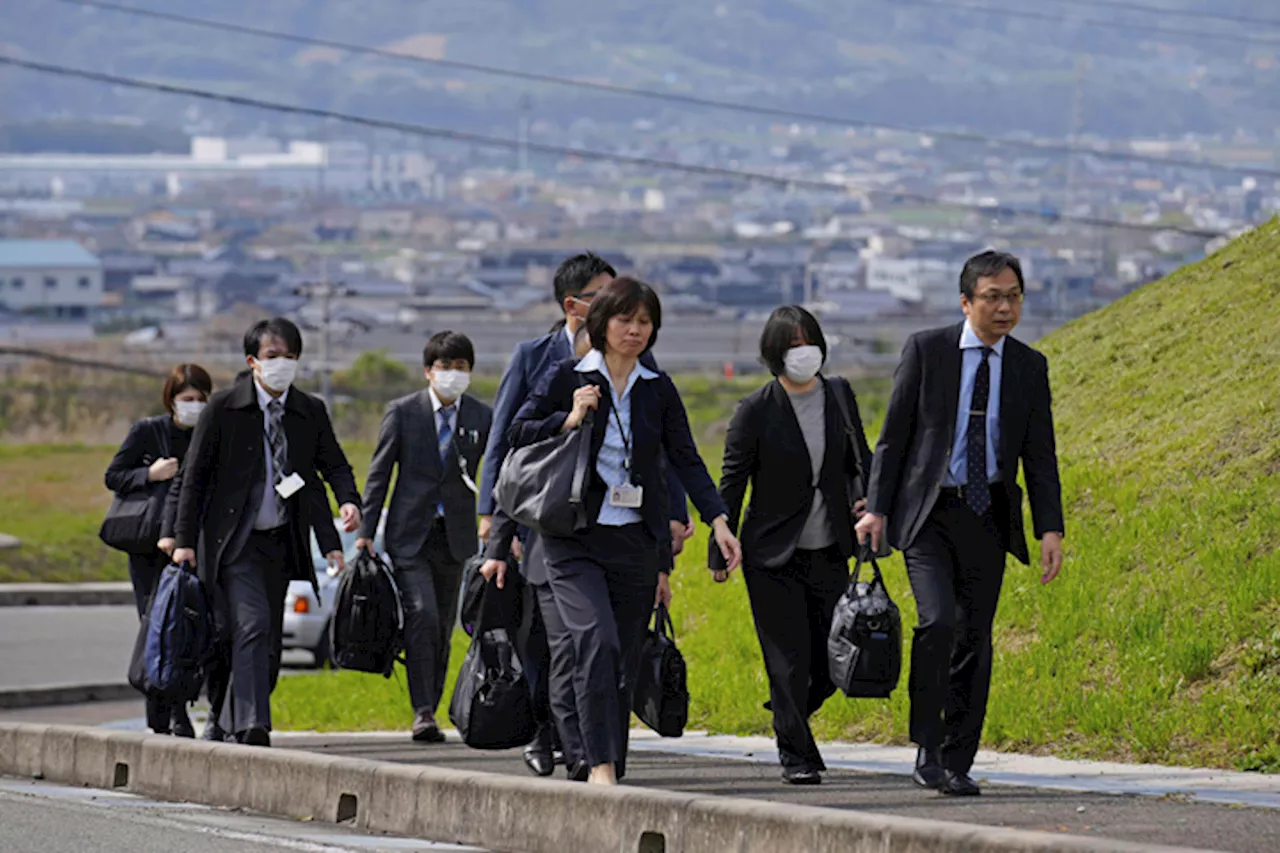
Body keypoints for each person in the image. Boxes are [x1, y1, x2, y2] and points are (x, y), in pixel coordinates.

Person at [491, 276, 742, 786]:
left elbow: (686, 459)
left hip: (634, 542)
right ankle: (599, 766)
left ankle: (600, 761)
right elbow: (517, 433)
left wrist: (718, 520)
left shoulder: (658, 388)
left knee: (620, 659)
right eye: (625, 320)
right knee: (596, 643)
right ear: (602, 325)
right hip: (573, 539)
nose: (635, 330)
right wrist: (568, 418)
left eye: (645, 322)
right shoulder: (567, 376)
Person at [856, 251, 1064, 796]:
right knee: (938, 622)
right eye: (992, 296)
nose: (1004, 306)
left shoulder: (1028, 366)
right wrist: (877, 507)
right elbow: (894, 435)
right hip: (930, 512)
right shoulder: (928, 351)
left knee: (976, 637)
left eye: (1013, 295)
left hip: (988, 512)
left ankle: (959, 757)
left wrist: (1050, 529)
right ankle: (927, 742)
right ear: (966, 301)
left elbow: (1040, 455)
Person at [172, 318, 360, 747]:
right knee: (251, 626)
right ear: (253, 361)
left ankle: (222, 714)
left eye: (290, 358)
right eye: (273, 357)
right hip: (232, 543)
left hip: (281, 539)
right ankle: (254, 725)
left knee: (267, 641)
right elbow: (194, 478)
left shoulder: (308, 410)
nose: (282, 365)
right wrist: (183, 542)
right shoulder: (223, 408)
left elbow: (331, 466)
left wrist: (348, 504)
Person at [713, 306, 874, 785]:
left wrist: (868, 503)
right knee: (786, 661)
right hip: (771, 556)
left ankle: (788, 715)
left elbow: (859, 459)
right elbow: (732, 483)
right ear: (774, 354)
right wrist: (718, 550)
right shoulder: (755, 410)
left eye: (810, 341)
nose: (804, 352)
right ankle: (796, 755)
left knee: (830, 660)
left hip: (830, 548)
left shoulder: (839, 395)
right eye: (792, 344)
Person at [356, 331, 492, 744]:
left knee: (443, 625)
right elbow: (380, 473)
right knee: (422, 614)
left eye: (461, 367)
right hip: (409, 535)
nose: (453, 375)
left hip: (455, 536)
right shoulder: (403, 412)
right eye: (445, 367)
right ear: (428, 371)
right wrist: (365, 532)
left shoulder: (480, 417)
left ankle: (431, 706)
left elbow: (496, 472)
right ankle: (422, 710)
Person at [105, 362, 213, 737]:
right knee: (157, 628)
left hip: (194, 546)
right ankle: (161, 714)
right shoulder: (149, 431)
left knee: (188, 630)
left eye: (201, 399)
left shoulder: (209, 434)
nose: (194, 406)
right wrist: (150, 475)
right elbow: (114, 475)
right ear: (171, 399)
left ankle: (181, 709)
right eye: (187, 399)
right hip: (151, 549)